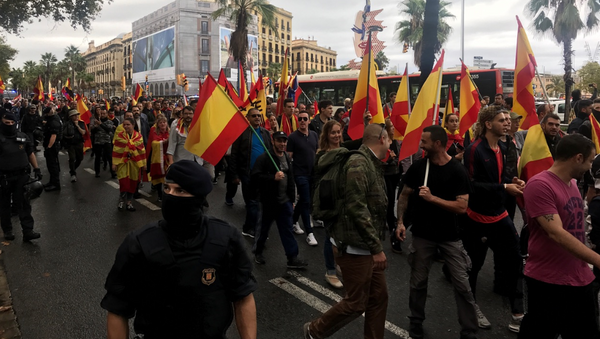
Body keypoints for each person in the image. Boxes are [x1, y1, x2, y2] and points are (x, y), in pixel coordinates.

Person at [101, 160, 258, 339]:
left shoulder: (226, 238)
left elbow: (243, 297)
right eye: (167, 188)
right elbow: (117, 308)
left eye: (180, 190)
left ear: (199, 198)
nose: (170, 195)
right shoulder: (139, 243)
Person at [304, 123, 390, 339]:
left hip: (366, 246)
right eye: (389, 139)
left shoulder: (371, 162)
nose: (390, 144)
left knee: (379, 297)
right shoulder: (359, 163)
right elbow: (356, 206)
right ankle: (314, 331)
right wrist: (376, 247)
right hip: (355, 246)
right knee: (356, 302)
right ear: (382, 138)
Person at [396, 125, 478, 339]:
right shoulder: (419, 168)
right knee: (418, 282)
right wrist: (401, 222)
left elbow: (462, 207)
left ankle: (469, 330)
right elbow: (404, 194)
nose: (421, 145)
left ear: (438, 144)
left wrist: (432, 199)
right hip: (423, 235)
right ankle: (415, 321)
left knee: (462, 285)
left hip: (450, 237)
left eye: (424, 141)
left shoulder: (457, 171)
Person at [519, 134, 600, 339]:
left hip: (579, 276)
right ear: (578, 158)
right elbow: (556, 233)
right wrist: (598, 260)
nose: (590, 167)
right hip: (549, 281)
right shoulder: (540, 185)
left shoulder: (572, 183)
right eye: (590, 161)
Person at [462, 106, 525, 332]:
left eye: (508, 119)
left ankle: (518, 313)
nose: (508, 123)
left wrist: (513, 181)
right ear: (488, 124)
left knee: (515, 260)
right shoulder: (474, 150)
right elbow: (470, 186)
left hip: (500, 216)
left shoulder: (503, 146)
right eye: (502, 120)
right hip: (477, 219)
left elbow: (501, 176)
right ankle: (472, 308)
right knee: (473, 267)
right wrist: (504, 186)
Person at [251, 131, 308, 269]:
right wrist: (272, 178)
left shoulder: (287, 158)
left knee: (287, 230)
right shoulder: (265, 158)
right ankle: (258, 252)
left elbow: (291, 179)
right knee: (263, 229)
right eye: (279, 141)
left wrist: (292, 199)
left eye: (284, 141)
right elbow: (255, 177)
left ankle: (292, 257)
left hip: (285, 202)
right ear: (273, 141)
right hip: (269, 202)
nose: (282, 144)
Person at [229, 109, 272, 237]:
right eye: (254, 116)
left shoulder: (265, 133)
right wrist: (235, 175)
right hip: (248, 173)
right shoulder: (242, 134)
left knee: (261, 202)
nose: (257, 118)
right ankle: (250, 228)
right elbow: (234, 155)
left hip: (263, 174)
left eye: (259, 116)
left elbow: (270, 152)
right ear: (248, 117)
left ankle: (254, 227)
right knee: (252, 203)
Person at [0, 111, 42, 241]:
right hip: (4, 177)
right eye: (7, 123)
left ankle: (28, 231)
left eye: (12, 123)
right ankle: (7, 230)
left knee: (24, 204)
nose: (10, 125)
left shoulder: (22, 136)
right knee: (4, 205)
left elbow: (30, 153)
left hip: (21, 176)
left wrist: (37, 168)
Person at [314, 120, 344, 289]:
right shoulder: (322, 155)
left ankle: (337, 263)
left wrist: (364, 122)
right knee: (330, 237)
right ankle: (330, 271)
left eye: (338, 132)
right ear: (326, 135)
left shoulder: (344, 149)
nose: (337, 135)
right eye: (333, 133)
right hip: (328, 200)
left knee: (340, 236)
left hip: (343, 199)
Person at [287, 111, 320, 246]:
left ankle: (294, 221)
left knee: (304, 200)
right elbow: (289, 157)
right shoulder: (293, 137)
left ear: (309, 121)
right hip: (299, 174)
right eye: (300, 119)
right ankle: (309, 233)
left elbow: (317, 152)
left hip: (312, 173)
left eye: (304, 119)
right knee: (306, 201)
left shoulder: (314, 135)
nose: (302, 121)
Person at [112, 118, 146, 211]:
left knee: (132, 183)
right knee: (124, 182)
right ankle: (121, 200)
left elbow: (141, 150)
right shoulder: (119, 136)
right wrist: (114, 163)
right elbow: (116, 150)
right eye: (124, 124)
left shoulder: (139, 136)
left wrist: (143, 164)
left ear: (133, 125)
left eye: (128, 124)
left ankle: (129, 203)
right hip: (123, 162)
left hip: (134, 163)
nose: (126, 126)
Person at [382, 119, 402, 254]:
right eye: (391, 126)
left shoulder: (394, 141)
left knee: (393, 198)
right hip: (386, 175)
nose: (394, 128)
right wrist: (389, 159)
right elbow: (380, 159)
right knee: (389, 200)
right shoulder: (383, 142)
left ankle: (389, 220)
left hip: (395, 174)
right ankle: (391, 227)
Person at [146, 115, 169, 202]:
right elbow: (154, 143)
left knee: (168, 177)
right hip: (158, 158)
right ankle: (160, 194)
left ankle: (168, 193)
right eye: (160, 122)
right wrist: (164, 141)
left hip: (167, 157)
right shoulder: (155, 132)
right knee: (159, 177)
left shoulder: (170, 132)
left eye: (164, 122)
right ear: (158, 124)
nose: (163, 124)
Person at [62, 110, 87, 183]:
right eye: (74, 115)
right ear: (71, 117)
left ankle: (73, 169)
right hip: (71, 144)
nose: (76, 117)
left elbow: (83, 132)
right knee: (72, 158)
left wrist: (77, 125)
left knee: (80, 158)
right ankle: (73, 173)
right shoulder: (67, 124)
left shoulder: (81, 123)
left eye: (77, 115)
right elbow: (63, 134)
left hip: (79, 143)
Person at [42, 105, 62, 191]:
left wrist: (49, 148)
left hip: (52, 146)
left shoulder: (54, 121)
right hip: (51, 145)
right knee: (50, 165)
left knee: (53, 165)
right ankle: (52, 181)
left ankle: (55, 184)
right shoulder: (53, 118)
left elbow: (53, 135)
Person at [92, 108, 116, 179]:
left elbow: (109, 130)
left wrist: (101, 124)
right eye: (101, 113)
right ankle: (97, 172)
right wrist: (95, 127)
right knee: (98, 157)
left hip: (107, 141)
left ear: (107, 114)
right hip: (98, 141)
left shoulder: (109, 122)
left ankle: (113, 173)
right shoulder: (96, 121)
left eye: (104, 114)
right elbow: (92, 132)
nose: (102, 115)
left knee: (110, 158)